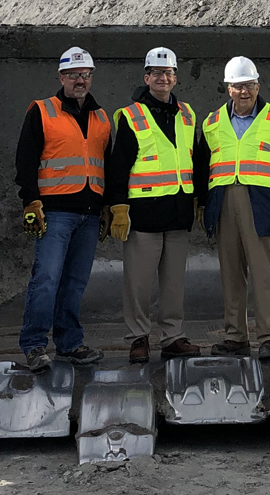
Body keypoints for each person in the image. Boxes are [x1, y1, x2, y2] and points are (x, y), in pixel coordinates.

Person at [195, 56, 270, 360]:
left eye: (249, 85)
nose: (244, 91)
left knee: (265, 273)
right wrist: (203, 203)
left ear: (258, 86)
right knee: (231, 273)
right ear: (228, 89)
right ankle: (235, 337)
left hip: (263, 203)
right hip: (223, 202)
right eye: (238, 86)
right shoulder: (212, 122)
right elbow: (202, 166)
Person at [15, 46, 112, 372]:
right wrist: (31, 201)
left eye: (85, 74)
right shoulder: (42, 111)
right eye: (73, 75)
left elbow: (106, 164)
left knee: (75, 282)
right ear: (61, 77)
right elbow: (26, 159)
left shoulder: (101, 118)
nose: (79, 80)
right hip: (55, 212)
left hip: (90, 212)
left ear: (91, 77)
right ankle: (34, 345)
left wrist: (107, 206)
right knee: (46, 278)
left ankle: (69, 344)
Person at [107, 47, 202, 364]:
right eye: (157, 73)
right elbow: (119, 166)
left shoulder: (187, 114)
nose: (163, 78)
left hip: (178, 212)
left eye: (169, 73)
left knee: (174, 283)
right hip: (144, 214)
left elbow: (193, 160)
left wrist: (198, 199)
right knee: (138, 283)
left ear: (175, 78)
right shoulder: (132, 115)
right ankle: (138, 338)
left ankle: (173, 337)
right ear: (146, 78)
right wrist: (118, 207)